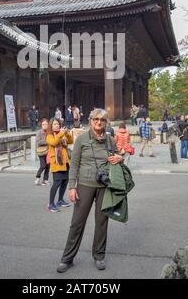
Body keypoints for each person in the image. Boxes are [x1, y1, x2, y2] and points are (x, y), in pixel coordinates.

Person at [56, 109, 124, 273]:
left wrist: (120, 158)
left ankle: (99, 255)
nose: (98, 122)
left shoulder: (110, 140)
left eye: (102, 120)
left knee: (102, 222)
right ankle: (67, 258)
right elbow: (74, 165)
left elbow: (117, 157)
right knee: (77, 222)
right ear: (90, 120)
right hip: (85, 184)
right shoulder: (82, 139)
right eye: (95, 119)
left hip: (104, 186)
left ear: (106, 122)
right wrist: (72, 186)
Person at [47, 118, 73, 213]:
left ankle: (60, 200)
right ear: (51, 126)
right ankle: (50, 204)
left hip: (65, 162)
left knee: (65, 182)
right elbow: (54, 143)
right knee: (56, 183)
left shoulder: (62, 135)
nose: (57, 126)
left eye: (58, 124)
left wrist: (66, 133)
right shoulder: (49, 135)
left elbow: (71, 141)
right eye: (54, 124)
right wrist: (61, 133)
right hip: (57, 163)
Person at [35, 118, 50, 186]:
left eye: (46, 124)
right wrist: (48, 142)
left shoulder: (49, 132)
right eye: (43, 124)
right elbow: (39, 142)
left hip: (48, 151)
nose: (44, 125)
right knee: (43, 165)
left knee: (48, 166)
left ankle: (45, 180)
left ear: (48, 125)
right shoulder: (39, 132)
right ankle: (37, 177)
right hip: (41, 151)